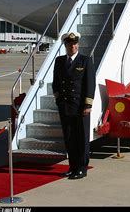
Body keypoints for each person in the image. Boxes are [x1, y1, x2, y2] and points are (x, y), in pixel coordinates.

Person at [52, 31, 95, 180]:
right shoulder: (59, 61)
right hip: (65, 106)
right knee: (69, 138)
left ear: (78, 44)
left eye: (75, 44)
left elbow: (90, 84)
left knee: (81, 138)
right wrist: (58, 100)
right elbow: (56, 83)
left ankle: (82, 168)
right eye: (70, 44)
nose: (73, 46)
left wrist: (87, 105)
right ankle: (72, 167)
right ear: (65, 45)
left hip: (80, 107)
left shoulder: (85, 61)